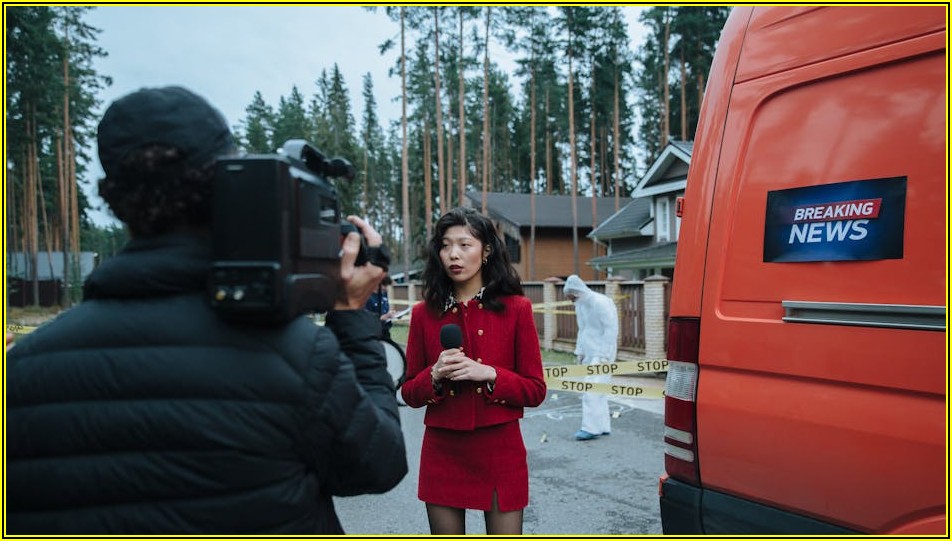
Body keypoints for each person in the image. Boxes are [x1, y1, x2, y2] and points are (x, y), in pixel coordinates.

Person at [5, 86, 407, 534]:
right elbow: (379, 464)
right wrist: (351, 313)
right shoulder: (295, 355)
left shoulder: (20, 370)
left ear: (115, 198)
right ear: (228, 183)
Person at [400, 207, 547, 535]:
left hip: (500, 449)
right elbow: (409, 393)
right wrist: (434, 375)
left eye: (464, 245)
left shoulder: (517, 309)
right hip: (443, 449)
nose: (453, 254)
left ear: (486, 251)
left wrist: (490, 374)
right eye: (445, 245)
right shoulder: (424, 313)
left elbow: (536, 390)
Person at [563, 274, 618, 441]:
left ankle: (590, 428)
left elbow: (611, 330)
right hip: (590, 353)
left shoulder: (600, 302)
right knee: (598, 391)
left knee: (590, 391)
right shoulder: (580, 305)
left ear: (577, 292)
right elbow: (583, 330)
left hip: (602, 353)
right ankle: (602, 426)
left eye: (571, 296)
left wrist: (605, 356)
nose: (570, 300)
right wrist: (580, 352)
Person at [365, 275, 397, 339]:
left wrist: (391, 314)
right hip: (373, 333)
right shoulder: (367, 297)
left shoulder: (384, 295)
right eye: (384, 286)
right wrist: (382, 318)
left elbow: (384, 310)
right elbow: (366, 318)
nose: (386, 288)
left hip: (385, 330)